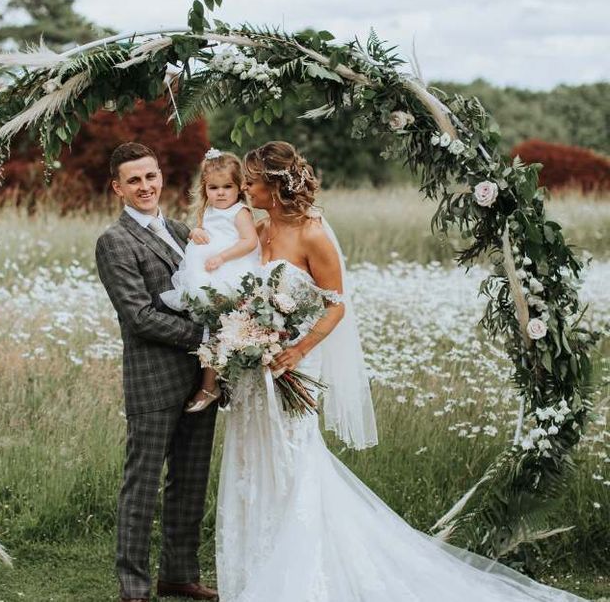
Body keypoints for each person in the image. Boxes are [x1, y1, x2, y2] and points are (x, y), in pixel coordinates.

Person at [214, 140, 586, 602]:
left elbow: (335, 307)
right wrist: (242, 334)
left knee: (292, 462)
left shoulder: (313, 235)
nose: (245, 188)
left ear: (274, 184)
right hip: (256, 369)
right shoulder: (260, 228)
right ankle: (256, 567)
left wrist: (296, 349)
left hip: (293, 364)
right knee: (253, 460)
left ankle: (299, 577)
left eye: (251, 181)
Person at [95, 142, 218, 602]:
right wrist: (205, 338)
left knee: (190, 479)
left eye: (150, 176)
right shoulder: (115, 241)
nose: (144, 186)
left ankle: (179, 575)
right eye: (133, 180)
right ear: (117, 188)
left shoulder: (184, 230)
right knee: (142, 484)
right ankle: (133, 587)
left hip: (201, 378)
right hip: (153, 377)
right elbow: (139, 316)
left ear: (160, 176)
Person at [160, 148, 261, 413]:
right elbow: (204, 232)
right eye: (214, 187)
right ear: (205, 188)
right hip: (205, 275)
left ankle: (211, 385)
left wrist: (222, 257)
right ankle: (211, 381)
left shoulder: (240, 212)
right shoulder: (208, 210)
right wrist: (196, 232)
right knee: (209, 329)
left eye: (227, 186)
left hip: (230, 272)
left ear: (239, 187)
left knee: (219, 329)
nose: (221, 193)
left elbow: (250, 242)